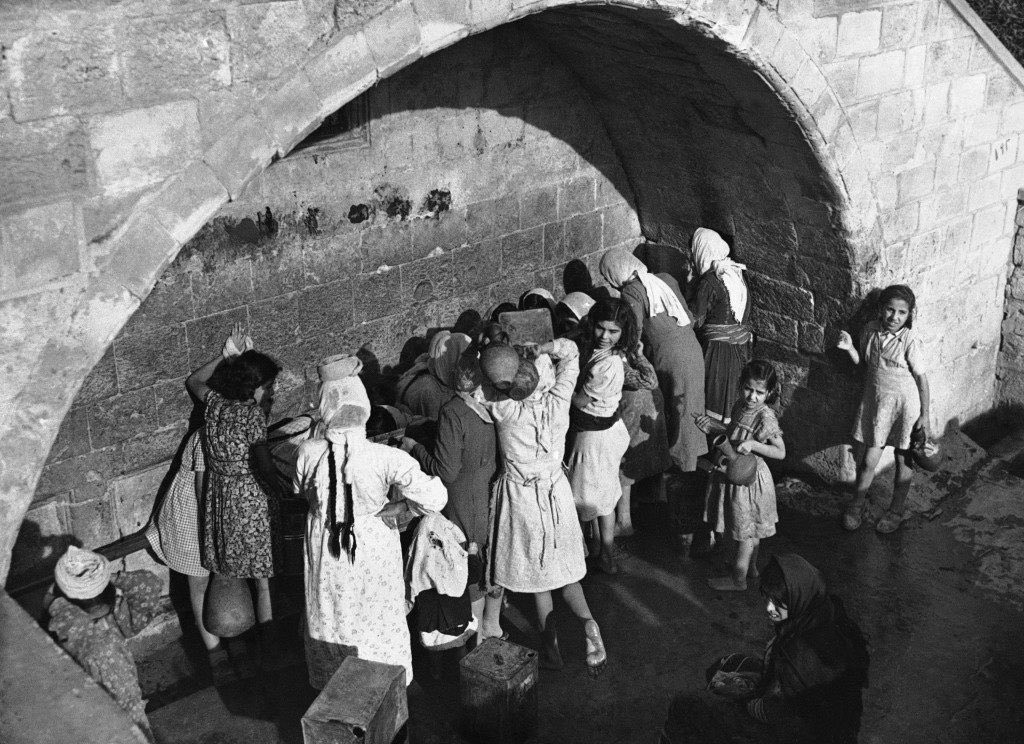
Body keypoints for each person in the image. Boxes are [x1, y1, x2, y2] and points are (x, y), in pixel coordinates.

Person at [294, 355, 447, 688]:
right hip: (373, 540)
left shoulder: (308, 451)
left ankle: (340, 691)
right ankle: (385, 690)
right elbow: (436, 497)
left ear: (324, 406)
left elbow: (303, 491)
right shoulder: (386, 456)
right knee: (375, 611)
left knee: (334, 611)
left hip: (327, 540)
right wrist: (406, 506)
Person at [483, 339, 607, 675]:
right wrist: (543, 347)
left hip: (522, 500)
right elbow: (571, 354)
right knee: (566, 573)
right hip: (557, 493)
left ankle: (550, 646)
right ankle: (588, 623)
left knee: (540, 581)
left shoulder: (503, 410)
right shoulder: (560, 399)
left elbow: (474, 382)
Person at [659, 554, 869, 744]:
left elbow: (783, 713)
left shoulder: (799, 656)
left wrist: (748, 702)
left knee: (686, 704)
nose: (769, 608)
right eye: (768, 599)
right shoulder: (823, 610)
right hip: (825, 724)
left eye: (778, 603)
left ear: (797, 595)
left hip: (797, 733)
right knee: (725, 665)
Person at [599, 248, 708, 552]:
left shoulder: (632, 292)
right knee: (681, 417)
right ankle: (667, 490)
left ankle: (685, 505)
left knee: (675, 424)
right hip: (692, 352)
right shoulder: (664, 279)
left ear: (614, 274)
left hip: (669, 359)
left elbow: (630, 336)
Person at [404, 350, 505, 641]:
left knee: (465, 567)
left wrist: (414, 448)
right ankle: (491, 625)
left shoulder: (452, 411)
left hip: (460, 497)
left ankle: (474, 635)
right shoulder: (493, 407)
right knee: (487, 561)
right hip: (485, 492)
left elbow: (445, 470)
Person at [186, 326, 281, 635]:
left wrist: (225, 356)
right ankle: (267, 641)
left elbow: (193, 381)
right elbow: (263, 463)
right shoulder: (252, 416)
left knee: (228, 572)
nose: (270, 391)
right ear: (253, 386)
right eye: (267, 386)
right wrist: (280, 490)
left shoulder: (215, 405)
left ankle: (229, 643)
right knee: (262, 578)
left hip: (220, 496)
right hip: (248, 499)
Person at [837, 284, 930, 533]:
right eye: (890, 310)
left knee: (903, 459)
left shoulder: (909, 340)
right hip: (878, 404)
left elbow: (922, 380)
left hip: (904, 406)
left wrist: (925, 416)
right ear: (881, 309)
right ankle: (857, 504)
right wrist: (850, 350)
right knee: (869, 460)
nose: (894, 317)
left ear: (908, 314)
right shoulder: (870, 331)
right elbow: (864, 365)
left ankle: (896, 510)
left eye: (901, 312)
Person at [47, 547, 162, 739]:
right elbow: (148, 584)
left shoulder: (65, 621)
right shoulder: (118, 620)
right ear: (109, 592)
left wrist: (56, 601)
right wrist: (113, 577)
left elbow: (58, 606)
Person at [696, 360, 785, 591]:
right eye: (748, 389)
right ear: (741, 385)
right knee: (751, 526)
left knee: (745, 529)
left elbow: (780, 452)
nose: (752, 397)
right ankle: (751, 568)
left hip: (750, 477)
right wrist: (713, 426)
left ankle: (738, 579)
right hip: (735, 471)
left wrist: (754, 444)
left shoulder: (765, 417)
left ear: (769, 392)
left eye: (759, 392)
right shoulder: (739, 406)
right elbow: (732, 432)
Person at [145, 429, 225, 667]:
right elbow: (202, 489)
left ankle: (229, 638)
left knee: (223, 581)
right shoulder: (207, 435)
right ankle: (216, 652)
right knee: (199, 584)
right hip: (195, 514)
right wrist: (211, 528)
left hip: (216, 508)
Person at [565, 299, 633, 574]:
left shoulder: (607, 366)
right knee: (604, 494)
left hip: (595, 439)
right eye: (601, 329)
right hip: (608, 431)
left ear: (623, 333)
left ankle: (602, 553)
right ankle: (604, 551)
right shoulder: (608, 355)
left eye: (612, 331)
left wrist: (558, 387)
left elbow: (580, 401)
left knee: (589, 498)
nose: (604, 336)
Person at [691, 228, 752, 426]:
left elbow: (695, 320)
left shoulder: (710, 281)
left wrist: (689, 286)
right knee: (732, 399)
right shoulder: (735, 273)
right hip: (740, 350)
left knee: (714, 399)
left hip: (717, 353)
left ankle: (713, 448)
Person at [396, 330, 473, 420]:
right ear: (453, 359)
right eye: (466, 360)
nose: (471, 367)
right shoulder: (433, 394)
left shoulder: (428, 368)